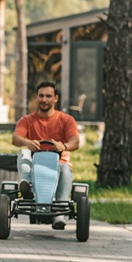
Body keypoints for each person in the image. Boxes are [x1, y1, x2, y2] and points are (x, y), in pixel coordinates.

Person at [12, 81, 80, 230]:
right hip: (34, 162)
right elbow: (16, 138)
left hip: (58, 162)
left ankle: (59, 211)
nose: (44, 100)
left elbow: (75, 141)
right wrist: (27, 142)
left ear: (55, 98)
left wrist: (64, 146)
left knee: (66, 169)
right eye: (41, 96)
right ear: (37, 98)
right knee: (23, 152)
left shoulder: (66, 120)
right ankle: (27, 185)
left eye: (48, 96)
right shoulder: (27, 120)